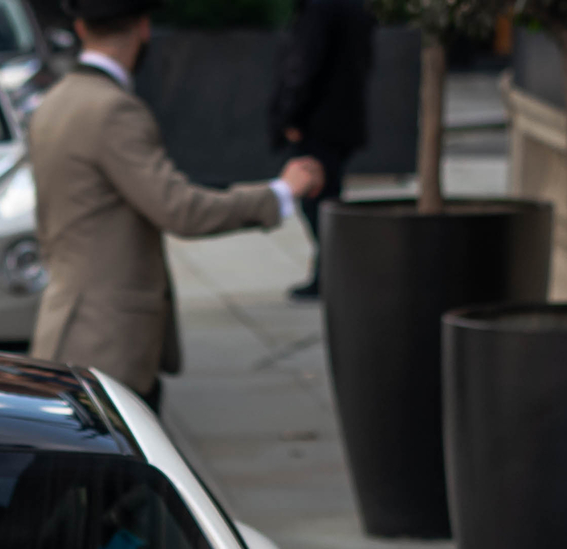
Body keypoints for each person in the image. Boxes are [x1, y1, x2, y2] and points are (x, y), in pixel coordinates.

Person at [26, 0, 320, 405]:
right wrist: (280, 193)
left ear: (80, 28)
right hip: (107, 342)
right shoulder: (113, 109)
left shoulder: (54, 102)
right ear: (143, 28)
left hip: (65, 328)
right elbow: (180, 209)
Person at [270, 0, 372, 298]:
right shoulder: (350, 7)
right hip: (340, 117)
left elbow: (305, 64)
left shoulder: (320, 9)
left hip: (319, 121)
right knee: (325, 198)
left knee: (318, 199)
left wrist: (290, 115)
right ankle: (330, 271)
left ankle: (333, 272)